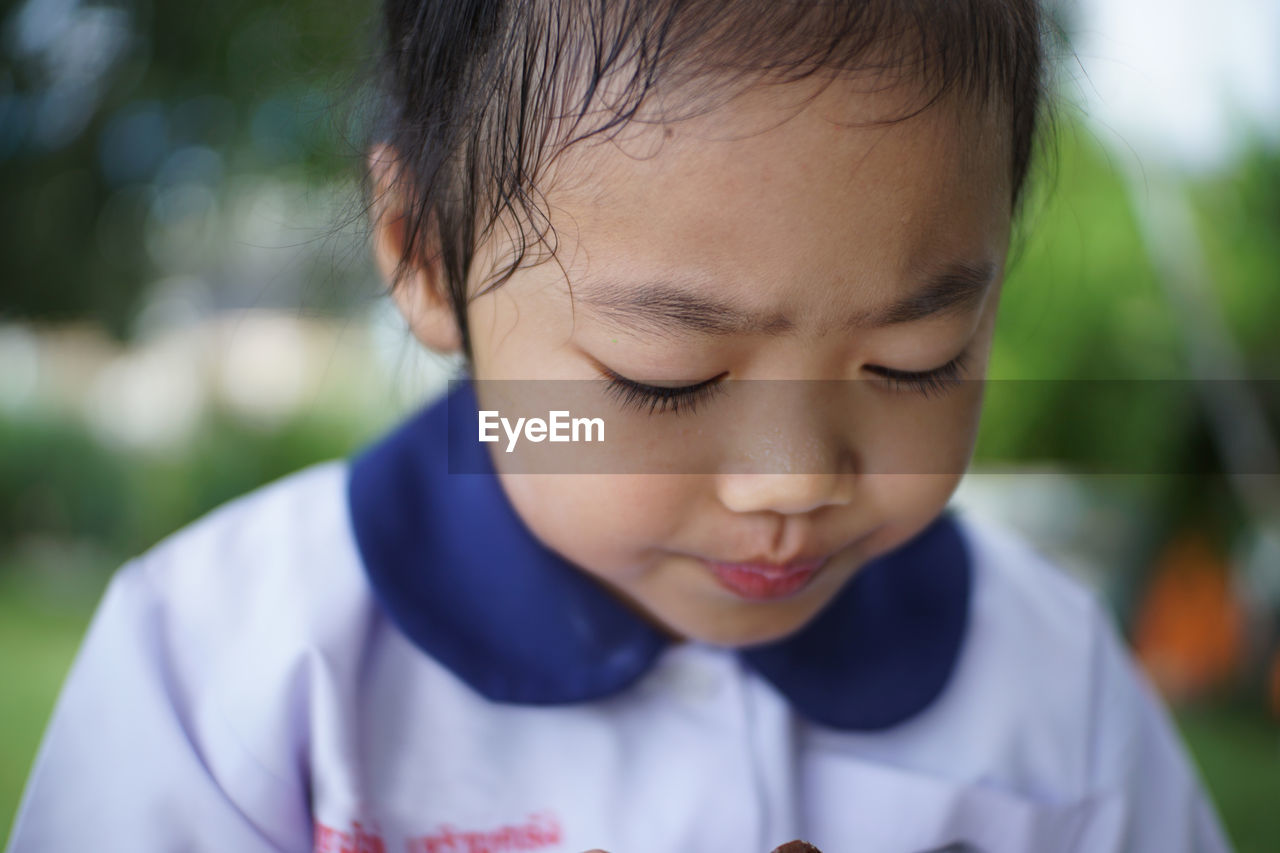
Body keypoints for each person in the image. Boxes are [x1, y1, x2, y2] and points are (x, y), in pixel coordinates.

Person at [7, 1, 1233, 851]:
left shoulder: (1048, 690)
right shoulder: (226, 671)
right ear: (425, 257)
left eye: (913, 362)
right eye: (665, 378)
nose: (789, 480)